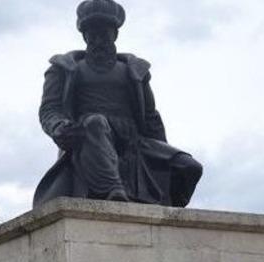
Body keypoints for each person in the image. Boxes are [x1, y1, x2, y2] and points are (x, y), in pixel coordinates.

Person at [34, 0, 202, 208]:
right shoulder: (65, 68)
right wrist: (59, 127)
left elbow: (151, 117)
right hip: (90, 138)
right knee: (95, 122)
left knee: (189, 167)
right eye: (92, 34)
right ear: (84, 36)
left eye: (103, 33)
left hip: (133, 141)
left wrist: (163, 151)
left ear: (114, 34)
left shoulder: (135, 71)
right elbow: (50, 109)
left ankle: (170, 216)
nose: (98, 40)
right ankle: (113, 189)